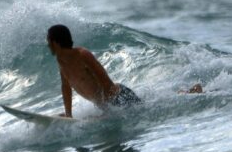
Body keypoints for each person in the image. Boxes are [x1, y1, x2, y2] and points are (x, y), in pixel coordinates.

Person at [46, 24, 201, 118]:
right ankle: (186, 92)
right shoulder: (61, 60)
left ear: (55, 42)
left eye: (48, 41)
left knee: (152, 108)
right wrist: (68, 114)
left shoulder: (82, 55)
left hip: (118, 97)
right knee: (147, 106)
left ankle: (190, 92)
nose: (47, 44)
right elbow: (66, 87)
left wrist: (109, 111)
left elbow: (105, 80)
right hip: (108, 103)